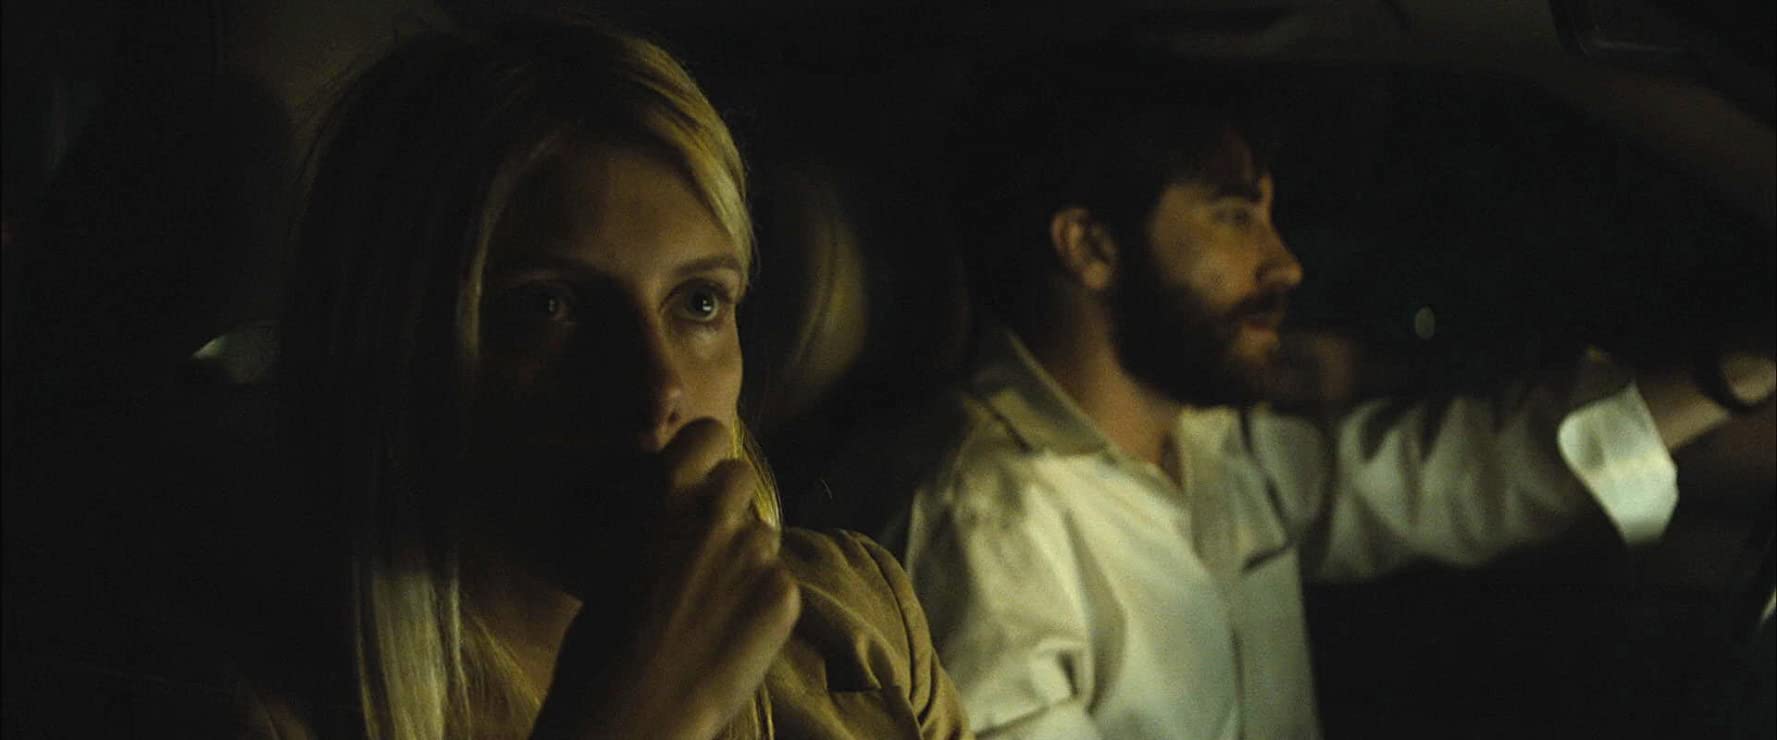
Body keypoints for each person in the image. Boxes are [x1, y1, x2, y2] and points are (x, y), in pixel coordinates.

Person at [824, 50, 1777, 738]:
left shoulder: (1205, 441)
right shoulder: (984, 518)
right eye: (1234, 218)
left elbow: (1445, 478)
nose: (1282, 264)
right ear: (1092, 247)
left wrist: (1727, 376)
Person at [252, 18, 970, 739]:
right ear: (396, 339)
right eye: (548, 307)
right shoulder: (254, 702)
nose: (657, 390)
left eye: (699, 302)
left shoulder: (859, 623)